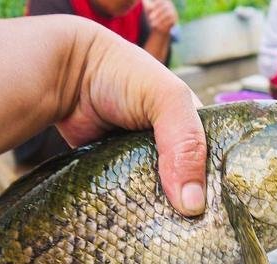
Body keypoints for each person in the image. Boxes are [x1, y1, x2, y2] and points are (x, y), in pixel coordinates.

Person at [0, 15, 206, 220]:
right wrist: (75, 64)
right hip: (52, 124)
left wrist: (160, 32)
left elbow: (157, 64)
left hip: (107, 111)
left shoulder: (143, 13)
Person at [14, 0, 178, 167]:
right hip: (48, 127)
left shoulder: (136, 10)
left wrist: (160, 32)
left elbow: (151, 84)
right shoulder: (51, 5)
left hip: (108, 119)